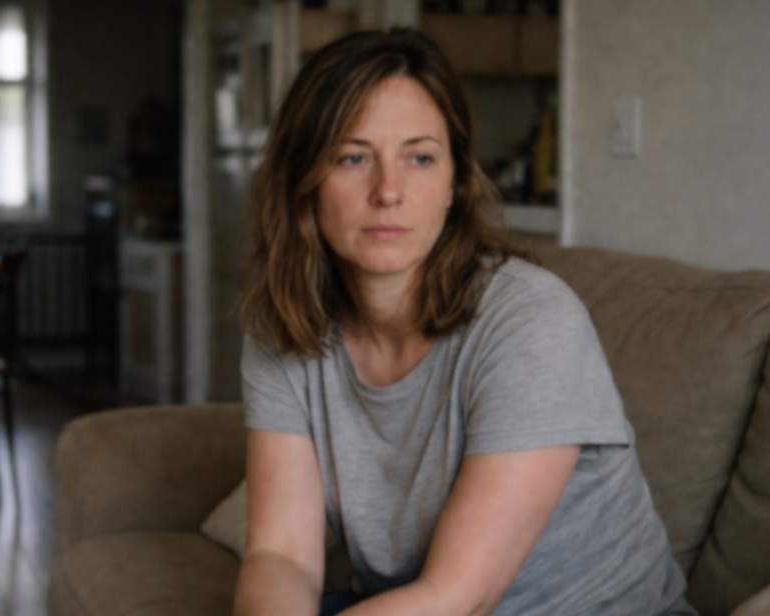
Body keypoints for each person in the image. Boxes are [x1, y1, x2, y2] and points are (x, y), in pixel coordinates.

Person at [236, 29, 696, 616]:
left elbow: (457, 597)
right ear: (304, 180)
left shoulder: (531, 322)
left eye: (420, 158)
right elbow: (282, 556)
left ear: (454, 184)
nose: (389, 192)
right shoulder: (282, 328)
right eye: (353, 158)